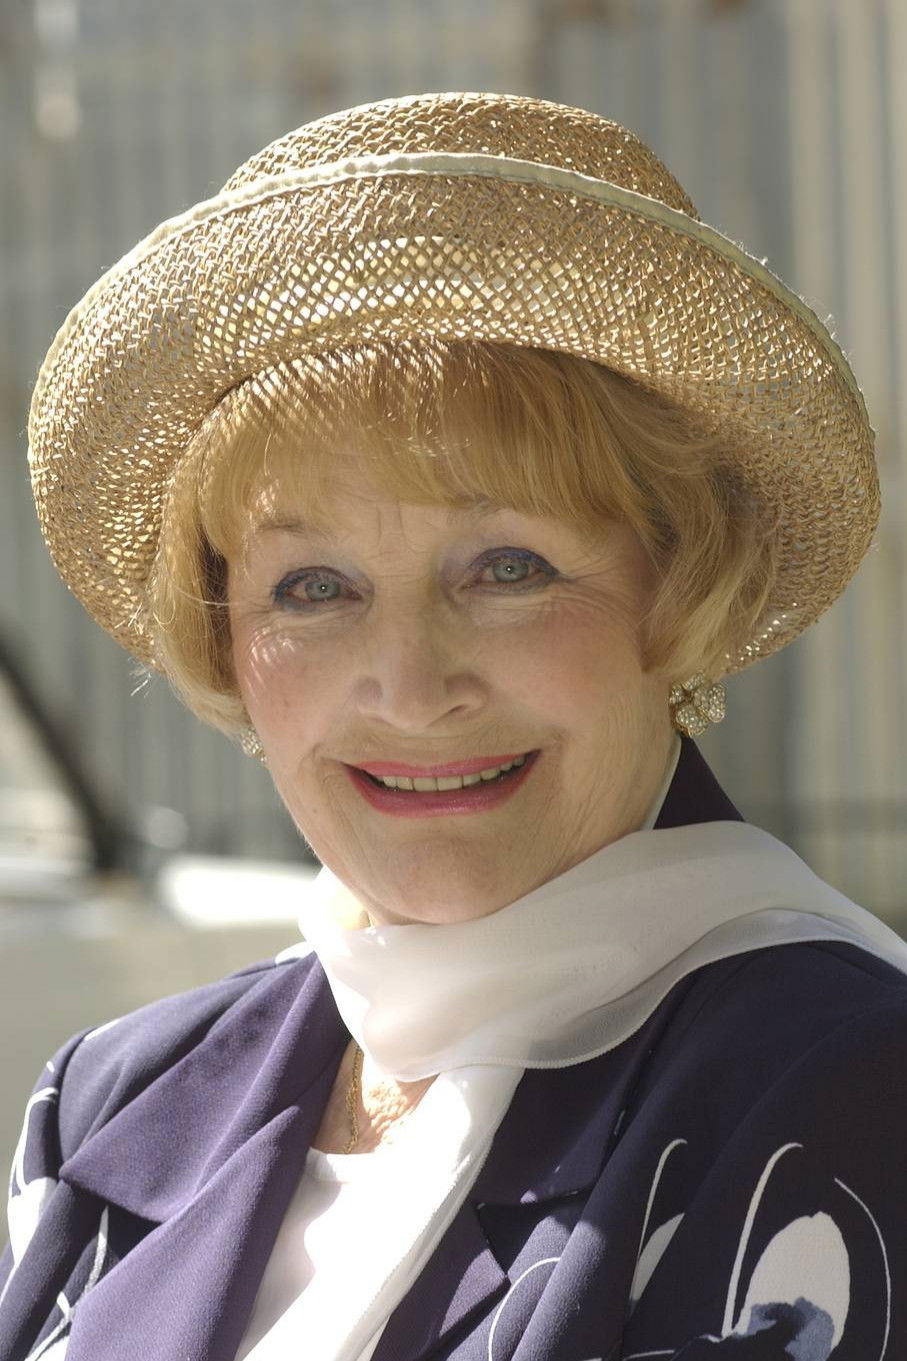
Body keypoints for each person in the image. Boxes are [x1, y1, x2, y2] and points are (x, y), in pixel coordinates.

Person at [2, 90, 906, 1361]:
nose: (411, 687)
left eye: (507, 568)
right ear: (225, 640)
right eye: (312, 588)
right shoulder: (111, 1095)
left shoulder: (844, 1083)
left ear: (677, 589)